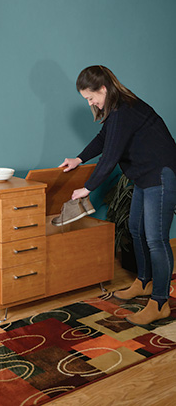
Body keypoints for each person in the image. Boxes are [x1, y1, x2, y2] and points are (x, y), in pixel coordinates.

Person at [59, 65, 176, 326]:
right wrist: (79, 158)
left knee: (157, 239)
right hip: (144, 175)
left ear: (103, 88)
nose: (91, 103)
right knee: (135, 229)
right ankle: (144, 283)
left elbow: (111, 156)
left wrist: (88, 187)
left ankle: (160, 303)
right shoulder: (115, 111)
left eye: (91, 97)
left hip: (161, 174)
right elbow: (104, 139)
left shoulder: (125, 110)